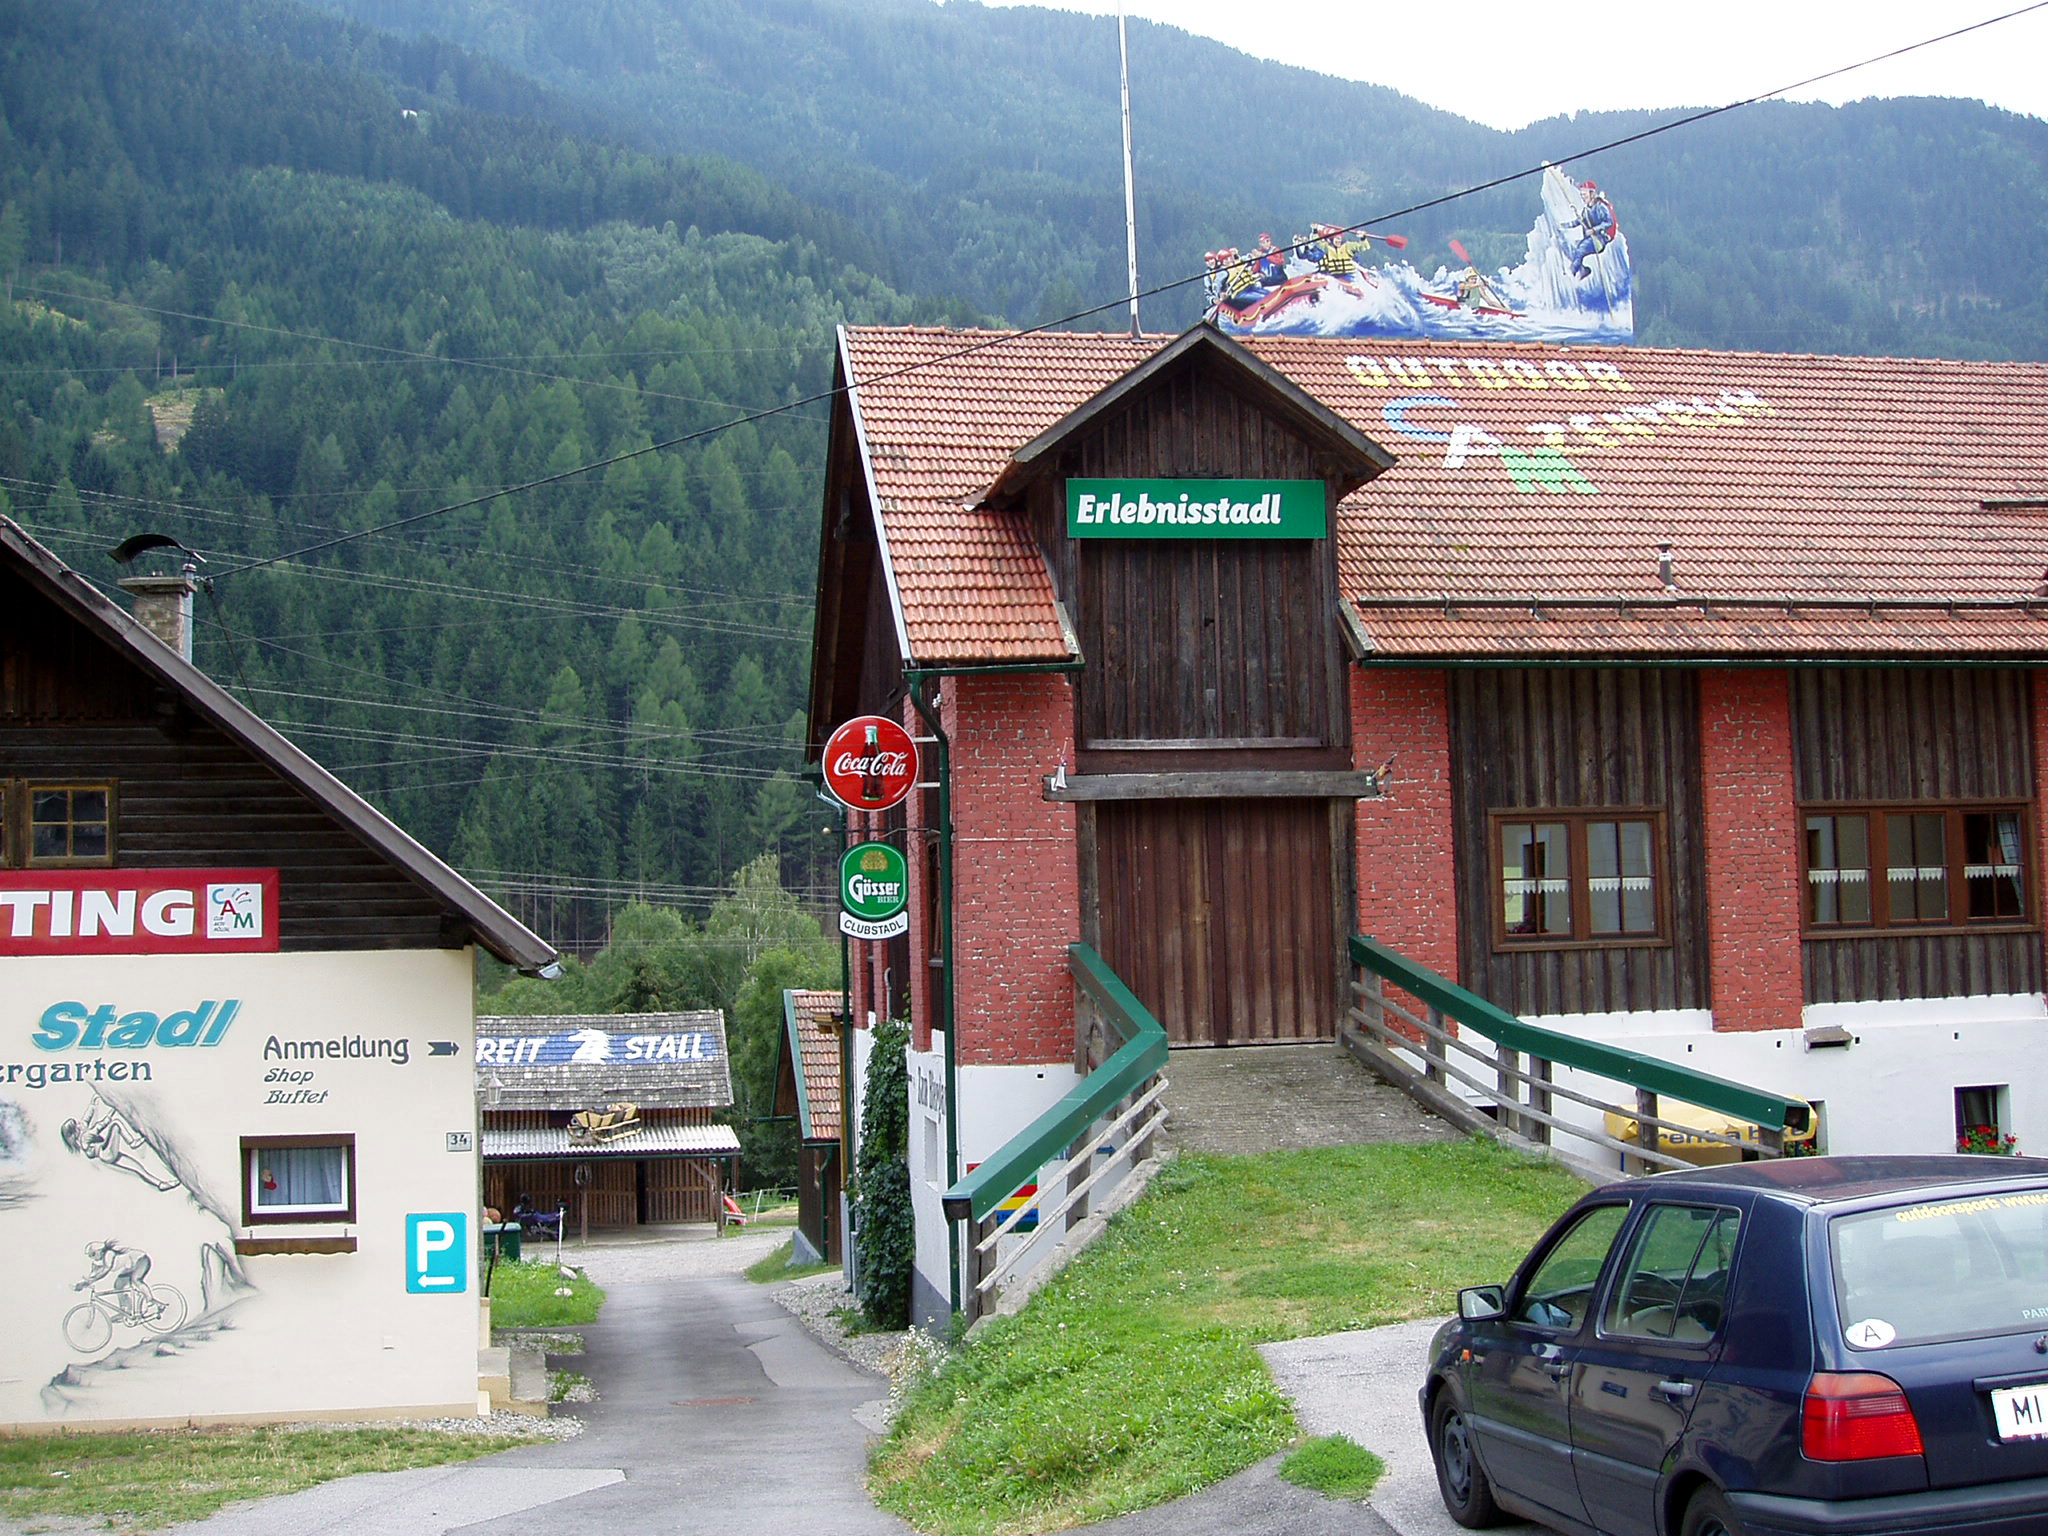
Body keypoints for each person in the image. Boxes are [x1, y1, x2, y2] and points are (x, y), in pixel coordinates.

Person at [77, 1239, 153, 1321]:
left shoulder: (109, 1254)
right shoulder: (100, 1261)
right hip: (130, 1266)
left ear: (99, 1251)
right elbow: (94, 1273)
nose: (92, 1258)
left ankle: (150, 1299)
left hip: (141, 1260)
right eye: (90, 1256)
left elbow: (106, 1270)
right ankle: (125, 1310)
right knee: (119, 1285)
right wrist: (85, 1282)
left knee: (136, 1279)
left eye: (93, 1254)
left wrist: (90, 1281)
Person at [1570, 180, 1618, 278]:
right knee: (1574, 248)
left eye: (1585, 195)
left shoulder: (1600, 207)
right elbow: (1578, 222)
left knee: (1581, 248)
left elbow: (1609, 222)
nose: (1583, 197)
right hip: (1591, 239)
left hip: (1600, 240)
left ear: (1592, 194)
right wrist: (1563, 226)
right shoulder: (1586, 210)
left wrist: (1594, 230)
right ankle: (1583, 270)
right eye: (1582, 195)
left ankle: (1571, 274)